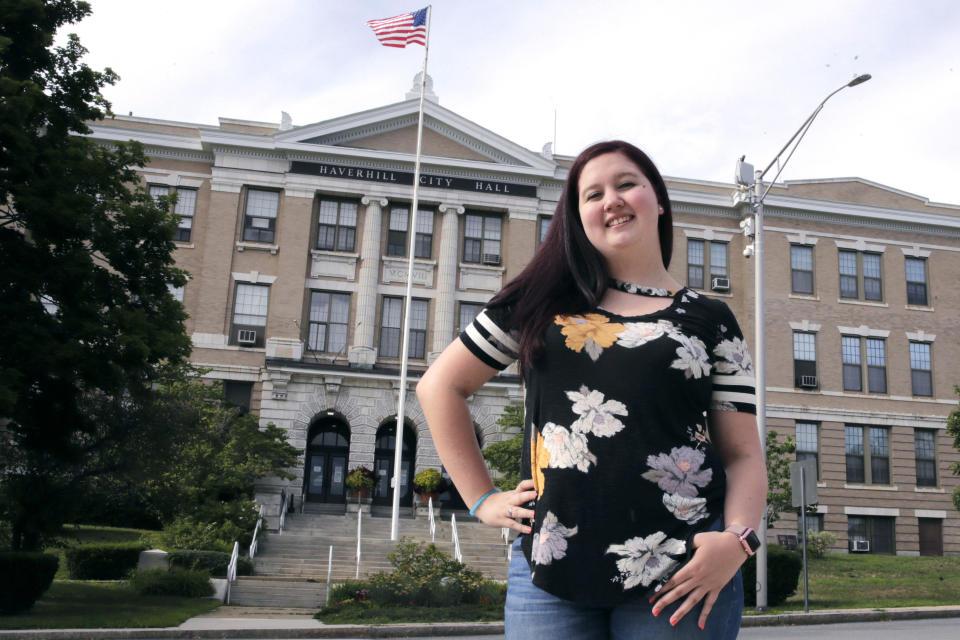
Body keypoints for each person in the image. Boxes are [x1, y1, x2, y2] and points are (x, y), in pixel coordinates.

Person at [416, 140, 766, 639]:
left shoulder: (710, 318)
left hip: (685, 572)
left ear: (658, 200)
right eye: (592, 194)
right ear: (577, 217)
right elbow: (439, 387)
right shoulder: (539, 302)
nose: (612, 200)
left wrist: (737, 540)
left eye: (627, 184)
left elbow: (743, 454)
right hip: (550, 570)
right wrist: (481, 500)